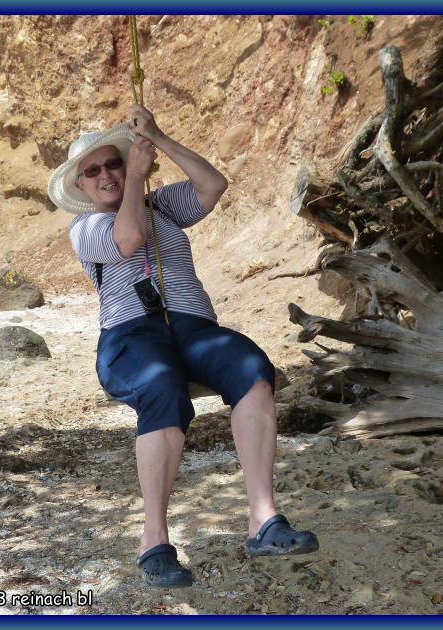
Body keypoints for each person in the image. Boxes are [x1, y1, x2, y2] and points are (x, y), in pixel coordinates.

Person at [48, 105, 319, 588]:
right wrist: (135, 176)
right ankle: (153, 539)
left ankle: (263, 518)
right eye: (95, 171)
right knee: (162, 388)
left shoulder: (162, 206)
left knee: (253, 367)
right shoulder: (85, 228)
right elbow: (127, 239)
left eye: (114, 164)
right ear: (83, 186)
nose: (107, 175)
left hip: (193, 327)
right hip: (130, 335)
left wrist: (159, 137)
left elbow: (213, 185)